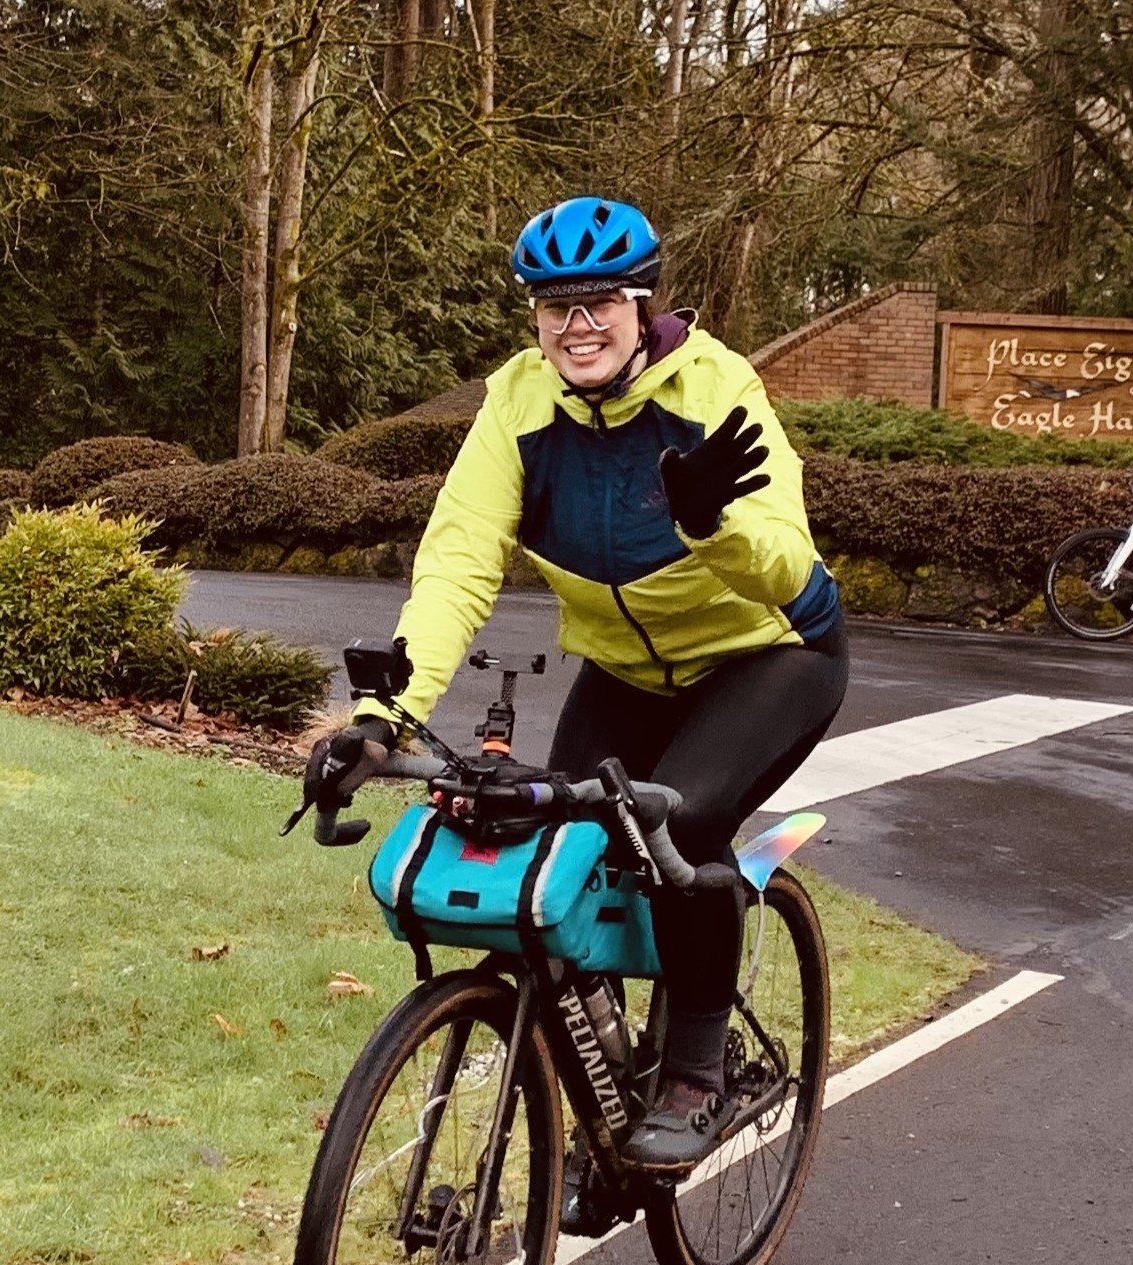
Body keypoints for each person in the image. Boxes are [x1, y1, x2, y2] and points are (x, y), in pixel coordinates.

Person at [304, 195, 846, 1175]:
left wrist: (712, 528)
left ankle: (696, 1065)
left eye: (600, 302)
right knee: (557, 857)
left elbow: (791, 567)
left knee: (679, 826)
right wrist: (388, 711)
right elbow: (461, 559)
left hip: (770, 656)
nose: (577, 325)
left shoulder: (717, 388)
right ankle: (602, 1118)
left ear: (644, 304)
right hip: (628, 671)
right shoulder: (518, 402)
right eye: (555, 307)